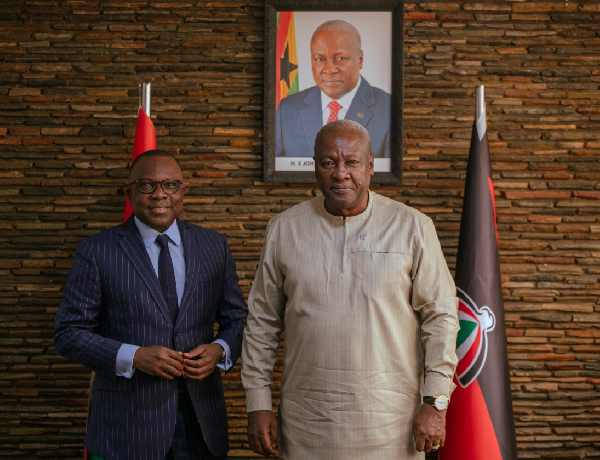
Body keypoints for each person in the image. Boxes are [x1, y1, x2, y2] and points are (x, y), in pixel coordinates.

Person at [242, 120, 459, 459]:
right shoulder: (284, 229)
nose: (340, 173)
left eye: (352, 162)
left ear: (370, 165)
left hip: (391, 424)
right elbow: (261, 323)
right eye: (328, 162)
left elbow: (442, 318)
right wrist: (257, 402)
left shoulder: (413, 227)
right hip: (305, 424)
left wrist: (436, 402)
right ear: (315, 168)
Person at [54, 150, 248, 460]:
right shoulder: (97, 250)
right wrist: (134, 357)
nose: (159, 193)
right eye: (146, 185)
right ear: (129, 191)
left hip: (202, 424)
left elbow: (236, 317)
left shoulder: (214, 245)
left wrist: (220, 350)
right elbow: (69, 333)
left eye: (170, 184)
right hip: (128, 427)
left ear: (183, 190)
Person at [276, 19, 391, 159]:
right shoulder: (288, 108)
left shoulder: (388, 108)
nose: (329, 69)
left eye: (340, 58)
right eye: (320, 59)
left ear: (360, 59)